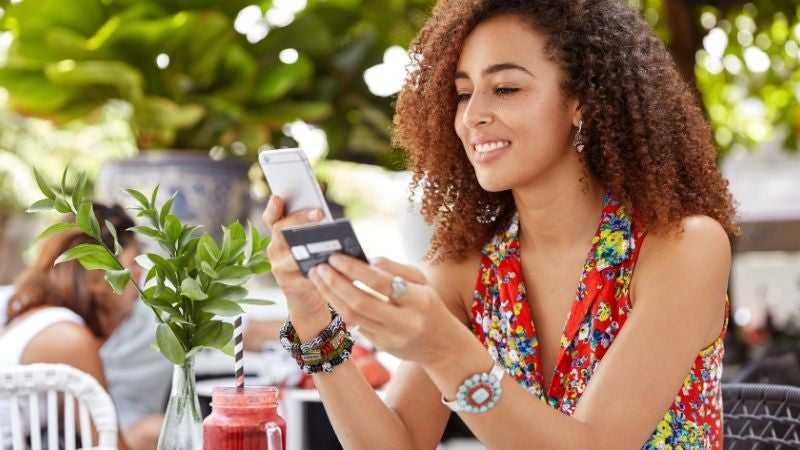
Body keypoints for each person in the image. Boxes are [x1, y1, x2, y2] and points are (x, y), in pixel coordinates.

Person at [262, 0, 738, 449]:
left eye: (505, 88)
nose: (473, 116)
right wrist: (309, 313)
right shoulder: (467, 270)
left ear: (581, 102)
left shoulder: (682, 247)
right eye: (463, 93)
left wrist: (448, 351)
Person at [0, 204, 165, 450]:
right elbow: (110, 446)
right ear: (97, 272)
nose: (141, 275)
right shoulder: (68, 338)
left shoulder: (43, 321)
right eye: (134, 263)